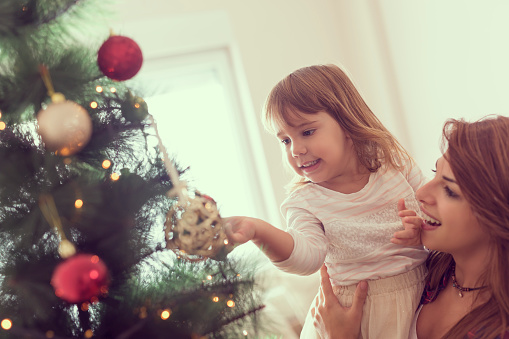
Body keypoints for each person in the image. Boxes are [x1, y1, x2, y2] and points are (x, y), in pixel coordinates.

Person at [225, 64, 429, 339]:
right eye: (285, 140)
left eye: (307, 132)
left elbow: (439, 215)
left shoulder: (396, 166)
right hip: (356, 317)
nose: (296, 149)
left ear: (347, 123)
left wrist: (422, 230)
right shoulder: (305, 202)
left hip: (422, 294)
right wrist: (258, 230)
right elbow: (305, 258)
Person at [312, 115, 509, 338]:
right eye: (435, 173)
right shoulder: (424, 272)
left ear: (499, 213)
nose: (421, 193)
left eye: (450, 191)